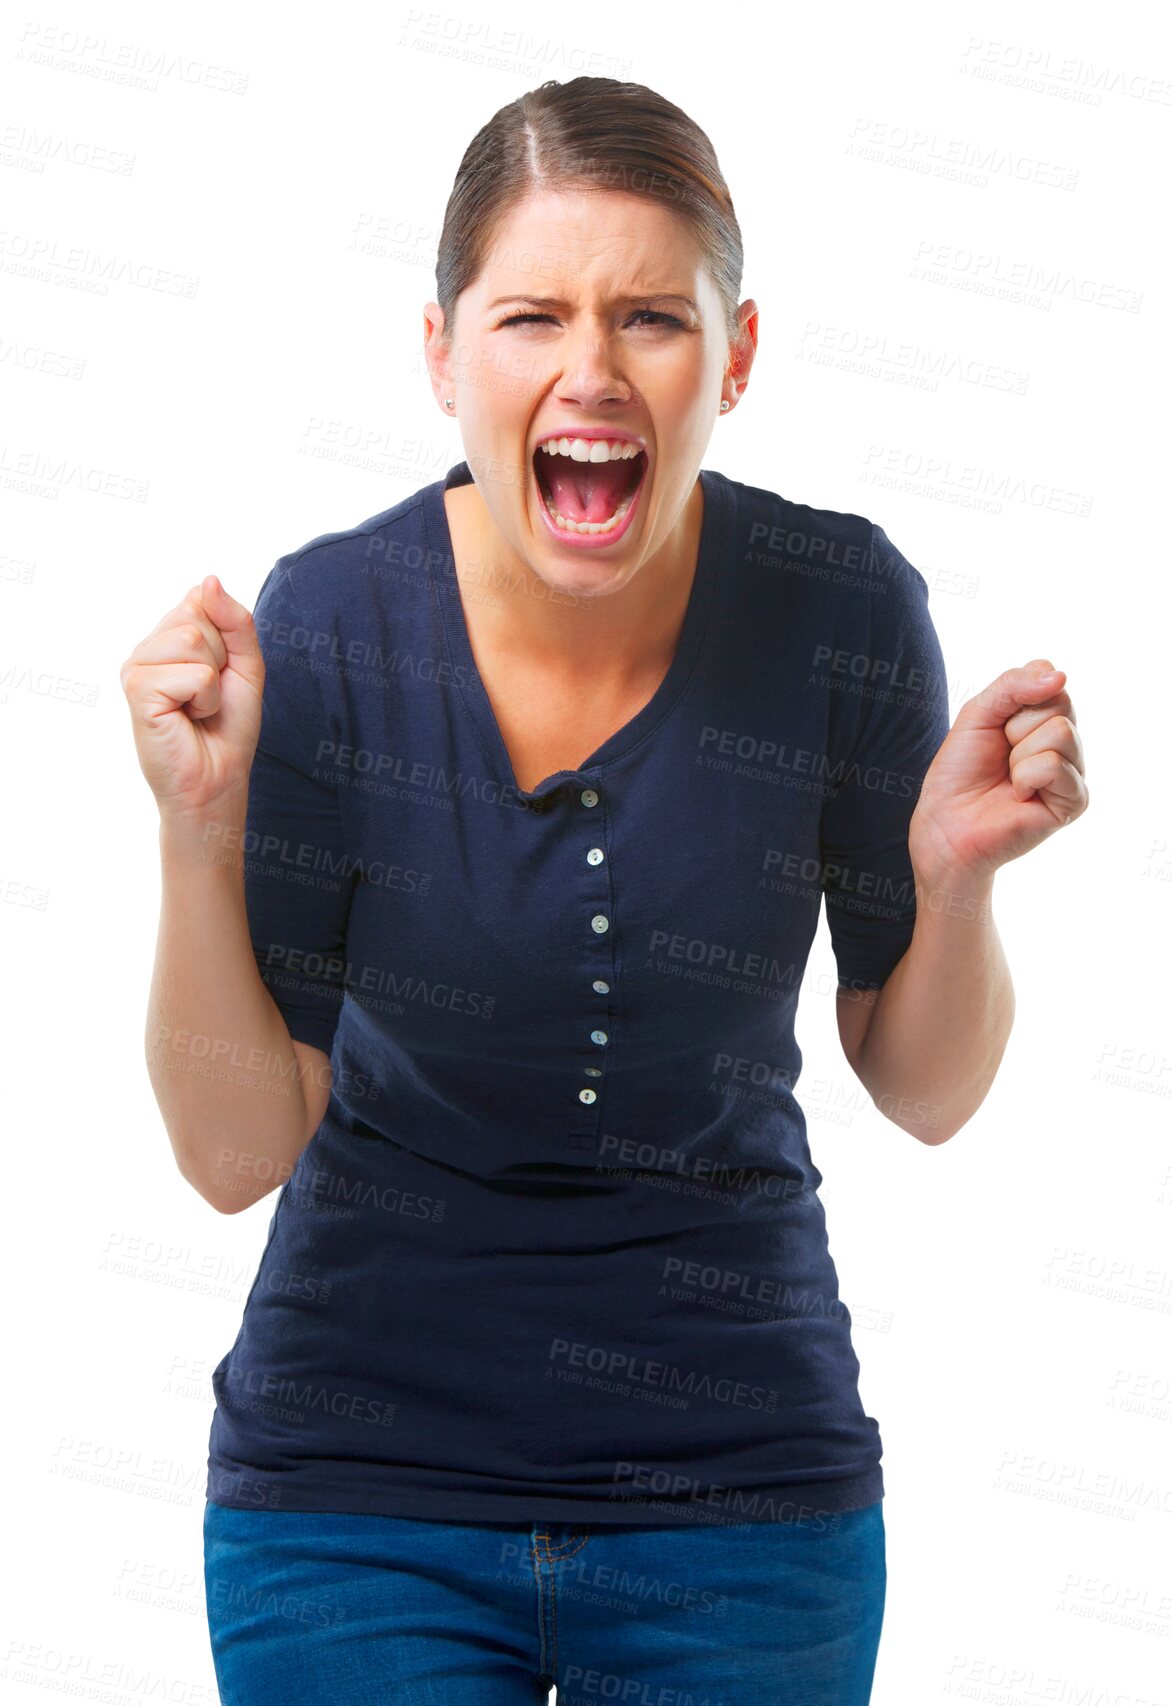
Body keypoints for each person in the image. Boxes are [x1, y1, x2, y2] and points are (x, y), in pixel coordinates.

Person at [121, 75, 1089, 1706]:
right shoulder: (334, 619)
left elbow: (923, 1091)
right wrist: (195, 830)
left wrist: (955, 882)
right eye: (529, 318)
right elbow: (232, 1158)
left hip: (743, 1500)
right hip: (359, 1506)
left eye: (650, 315)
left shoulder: (840, 605)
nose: (591, 370)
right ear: (441, 355)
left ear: (739, 355)